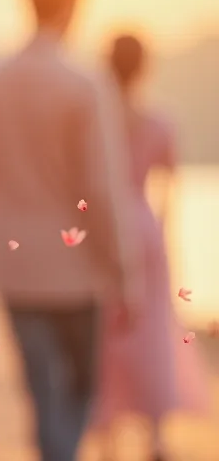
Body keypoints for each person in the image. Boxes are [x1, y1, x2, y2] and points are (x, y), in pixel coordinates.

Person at [0, 0, 143, 461]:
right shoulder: (85, 85)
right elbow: (100, 190)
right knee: (80, 390)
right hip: (78, 269)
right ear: (70, 5)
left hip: (16, 264)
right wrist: (123, 270)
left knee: (43, 392)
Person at [90, 34, 210, 461]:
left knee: (106, 332)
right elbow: (170, 187)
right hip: (146, 225)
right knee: (153, 328)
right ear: (144, 67)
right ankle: (156, 435)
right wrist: (163, 234)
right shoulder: (160, 119)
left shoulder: (98, 118)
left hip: (106, 225)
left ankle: (108, 437)